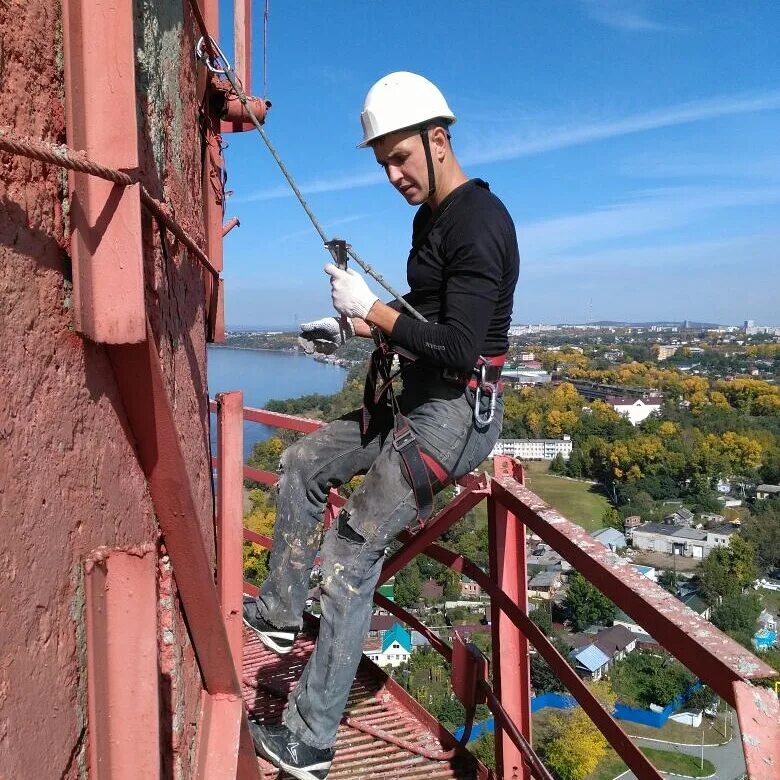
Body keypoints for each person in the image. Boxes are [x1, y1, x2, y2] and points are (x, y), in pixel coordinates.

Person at [244, 71, 519, 780]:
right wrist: (354, 326)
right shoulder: (431, 220)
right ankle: (278, 613)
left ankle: (311, 740)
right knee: (304, 463)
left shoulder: (479, 222)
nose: (393, 174)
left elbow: (461, 348)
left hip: (454, 416)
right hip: (419, 396)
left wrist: (374, 311)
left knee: (349, 551)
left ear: (438, 138)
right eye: (383, 163)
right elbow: (427, 326)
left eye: (399, 156)